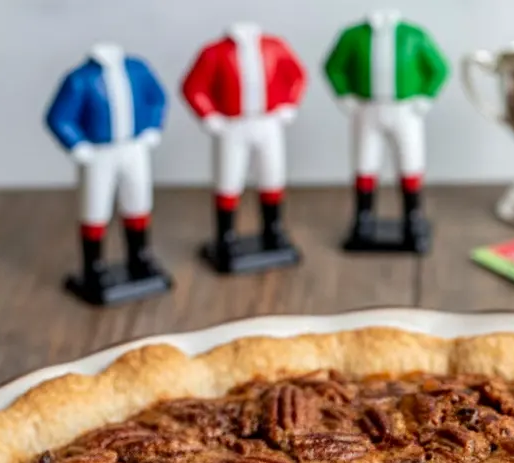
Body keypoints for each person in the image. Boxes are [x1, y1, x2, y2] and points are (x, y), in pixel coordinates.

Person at [45, 43, 170, 304]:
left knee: (138, 202)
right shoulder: (80, 78)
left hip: (134, 147)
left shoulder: (137, 69)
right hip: (99, 152)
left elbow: (157, 98)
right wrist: (77, 145)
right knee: (95, 208)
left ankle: (139, 256)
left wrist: (153, 127)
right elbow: (58, 116)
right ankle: (94, 266)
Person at [181, 24, 307, 272]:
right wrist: (209, 116)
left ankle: (273, 229)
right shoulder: (214, 52)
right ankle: (226, 235)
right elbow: (193, 86)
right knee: (228, 180)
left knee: (272, 176)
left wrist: (289, 104)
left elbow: (297, 76)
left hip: (268, 122)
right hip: (232, 126)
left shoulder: (274, 47)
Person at [324, 11, 449, 252]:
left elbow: (439, 68)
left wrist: (427, 96)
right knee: (364, 163)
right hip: (367, 109)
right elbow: (334, 67)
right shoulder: (353, 36)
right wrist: (344, 95)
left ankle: (412, 217)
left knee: (410, 162)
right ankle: (363, 218)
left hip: (405, 110)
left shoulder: (413, 35)